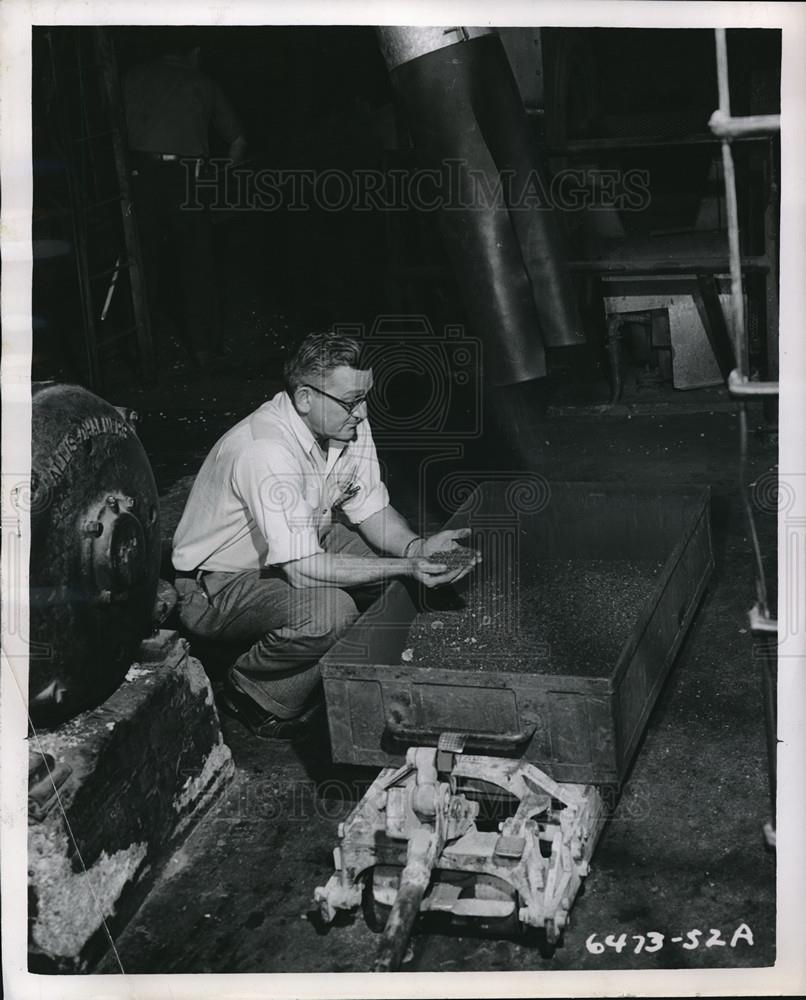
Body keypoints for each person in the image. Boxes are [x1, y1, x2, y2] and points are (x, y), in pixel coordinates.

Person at [172, 331, 478, 739]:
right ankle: (252, 692)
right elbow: (303, 572)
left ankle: (322, 664)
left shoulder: (346, 426)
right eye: (352, 401)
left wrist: (416, 547)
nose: (364, 412)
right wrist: (407, 565)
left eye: (365, 397)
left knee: (394, 578)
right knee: (330, 613)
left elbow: (370, 508)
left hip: (301, 543)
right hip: (220, 582)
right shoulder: (266, 450)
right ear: (304, 398)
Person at [123, 31, 247, 368]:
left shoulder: (132, 77)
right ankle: (204, 349)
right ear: (193, 53)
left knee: (142, 264)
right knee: (197, 262)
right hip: (187, 178)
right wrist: (219, 177)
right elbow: (237, 140)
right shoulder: (201, 82)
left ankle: (139, 351)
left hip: (139, 176)